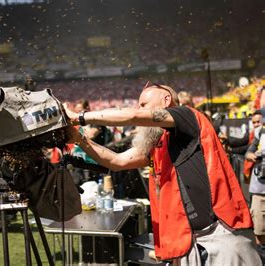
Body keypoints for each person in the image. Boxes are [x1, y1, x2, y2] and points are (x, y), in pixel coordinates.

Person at [63, 82, 261, 265]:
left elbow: (132, 116)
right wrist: (79, 139)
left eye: (144, 104)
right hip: (189, 242)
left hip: (222, 233)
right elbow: (117, 161)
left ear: (166, 100)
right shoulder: (158, 144)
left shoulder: (187, 116)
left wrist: (79, 117)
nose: (140, 110)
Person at [245, 110, 265, 246]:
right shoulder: (260, 133)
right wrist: (251, 155)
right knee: (258, 227)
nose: (257, 124)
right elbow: (248, 152)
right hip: (259, 188)